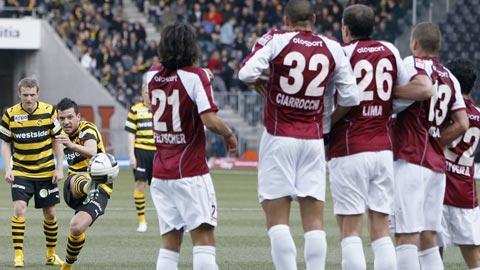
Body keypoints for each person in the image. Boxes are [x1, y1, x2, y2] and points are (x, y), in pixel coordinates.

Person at [238, 0, 360, 269]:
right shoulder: (332, 47)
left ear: (286, 20)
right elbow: (351, 96)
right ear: (314, 19)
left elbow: (246, 72)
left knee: (277, 218)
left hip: (279, 136)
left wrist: (259, 81)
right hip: (313, 139)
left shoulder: (276, 39)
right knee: (314, 221)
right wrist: (326, 118)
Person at [327, 5, 433, 270]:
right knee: (381, 228)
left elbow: (333, 97)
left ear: (346, 29)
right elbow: (413, 89)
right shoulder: (390, 50)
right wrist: (384, 100)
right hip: (383, 149)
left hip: (350, 145)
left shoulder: (342, 53)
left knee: (350, 229)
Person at [148, 22, 238, 270]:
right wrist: (229, 134)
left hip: (161, 172)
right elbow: (209, 119)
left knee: (170, 241)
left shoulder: (152, 77)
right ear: (191, 47)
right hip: (189, 171)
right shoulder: (196, 76)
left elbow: (151, 100)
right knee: (203, 237)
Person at [392, 22, 469, 270]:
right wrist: (436, 141)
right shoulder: (450, 78)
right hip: (436, 165)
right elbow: (462, 123)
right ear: (439, 47)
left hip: (410, 157)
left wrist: (388, 92)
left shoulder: (409, 64)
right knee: (428, 238)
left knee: (406, 234)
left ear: (414, 43)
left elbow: (409, 94)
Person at [0, 77, 64, 267]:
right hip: (21, 170)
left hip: (46, 171)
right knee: (19, 208)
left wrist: (60, 167)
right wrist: (8, 168)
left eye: (32, 95)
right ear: (19, 94)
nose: (29, 99)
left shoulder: (49, 111)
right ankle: (18, 255)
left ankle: (51, 255)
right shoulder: (9, 114)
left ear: (38, 94)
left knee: (50, 213)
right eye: (25, 95)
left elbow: (57, 140)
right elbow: (5, 143)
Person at [54, 97, 114, 270]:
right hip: (74, 186)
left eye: (70, 117)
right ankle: (90, 188)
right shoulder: (60, 134)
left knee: (76, 228)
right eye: (62, 118)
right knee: (81, 178)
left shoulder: (88, 129)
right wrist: (58, 169)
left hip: (102, 186)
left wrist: (71, 145)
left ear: (78, 117)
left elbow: (91, 150)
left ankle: (67, 265)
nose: (66, 121)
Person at [438, 58, 480, 269]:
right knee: (474, 257)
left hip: (439, 186)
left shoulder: (446, 110)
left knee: (432, 249)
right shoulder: (478, 115)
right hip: (465, 191)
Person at [125, 80, 156, 233]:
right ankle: (142, 221)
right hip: (141, 151)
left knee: (163, 188)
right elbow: (131, 134)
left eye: (151, 92)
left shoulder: (162, 109)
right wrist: (131, 155)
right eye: (146, 92)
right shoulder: (135, 110)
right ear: (142, 94)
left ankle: (171, 220)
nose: (149, 95)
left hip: (159, 153)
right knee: (140, 185)